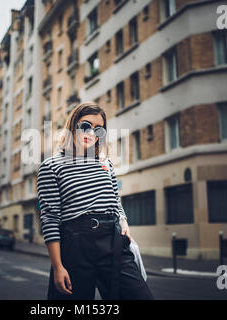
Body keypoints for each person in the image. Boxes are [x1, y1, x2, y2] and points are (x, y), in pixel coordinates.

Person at [37, 101, 154, 300]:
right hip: (76, 244)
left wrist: (123, 220)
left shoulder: (105, 162)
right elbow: (50, 218)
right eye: (85, 126)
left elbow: (115, 200)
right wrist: (58, 267)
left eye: (99, 129)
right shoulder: (51, 166)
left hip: (112, 240)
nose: (91, 133)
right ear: (73, 126)